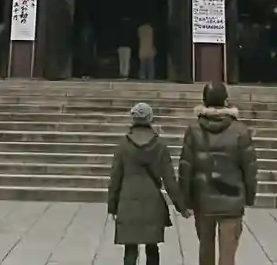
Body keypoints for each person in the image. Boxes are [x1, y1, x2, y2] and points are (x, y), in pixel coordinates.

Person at [179, 83, 257, 265]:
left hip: (203, 199)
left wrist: (185, 199)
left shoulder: (193, 130)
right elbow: (250, 168)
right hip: (232, 199)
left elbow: (186, 167)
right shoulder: (240, 131)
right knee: (228, 255)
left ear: (204, 100)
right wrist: (249, 196)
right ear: (225, 100)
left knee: (205, 249)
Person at [108, 102, 187, 265]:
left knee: (130, 248)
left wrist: (112, 206)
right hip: (153, 201)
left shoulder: (123, 145)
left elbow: (115, 178)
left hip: (128, 200)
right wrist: (182, 207)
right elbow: (170, 180)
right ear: (150, 118)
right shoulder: (160, 145)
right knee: (152, 247)